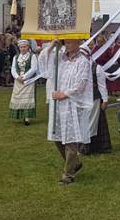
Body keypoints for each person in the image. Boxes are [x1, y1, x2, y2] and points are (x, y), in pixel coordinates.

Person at [38, 39, 93, 185]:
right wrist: (51, 46)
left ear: (78, 43)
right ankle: (75, 163)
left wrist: (65, 94)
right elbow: (44, 62)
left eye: (70, 42)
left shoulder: (82, 61)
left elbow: (81, 84)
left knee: (70, 139)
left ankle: (68, 174)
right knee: (57, 137)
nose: (66, 44)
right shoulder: (60, 57)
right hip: (58, 103)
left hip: (72, 103)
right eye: (65, 42)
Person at [82, 48, 112, 155]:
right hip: (81, 98)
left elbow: (102, 85)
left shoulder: (96, 68)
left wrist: (105, 100)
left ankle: (87, 146)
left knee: (90, 121)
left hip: (93, 97)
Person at [8, 39, 38, 125]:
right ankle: (20, 115)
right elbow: (13, 68)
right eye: (21, 47)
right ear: (19, 48)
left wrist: (25, 77)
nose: (23, 49)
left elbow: (34, 68)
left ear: (28, 47)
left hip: (28, 80)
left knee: (28, 99)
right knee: (19, 99)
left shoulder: (32, 56)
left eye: (25, 47)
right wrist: (17, 77)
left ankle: (27, 118)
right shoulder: (16, 57)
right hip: (18, 81)